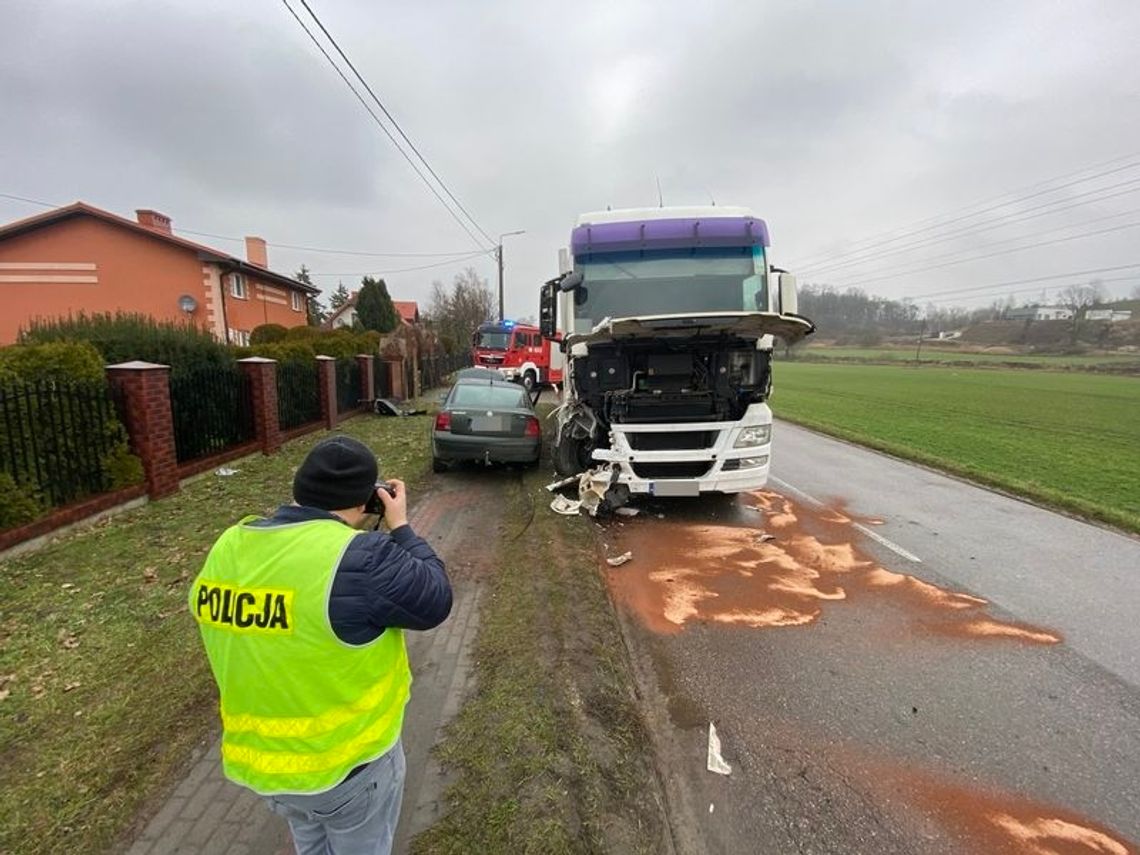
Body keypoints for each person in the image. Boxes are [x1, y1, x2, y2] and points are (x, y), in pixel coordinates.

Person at [189, 435, 451, 855]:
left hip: (268, 771)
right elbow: (436, 597)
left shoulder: (229, 546)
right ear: (368, 499)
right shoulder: (360, 557)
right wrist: (400, 525)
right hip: (349, 770)